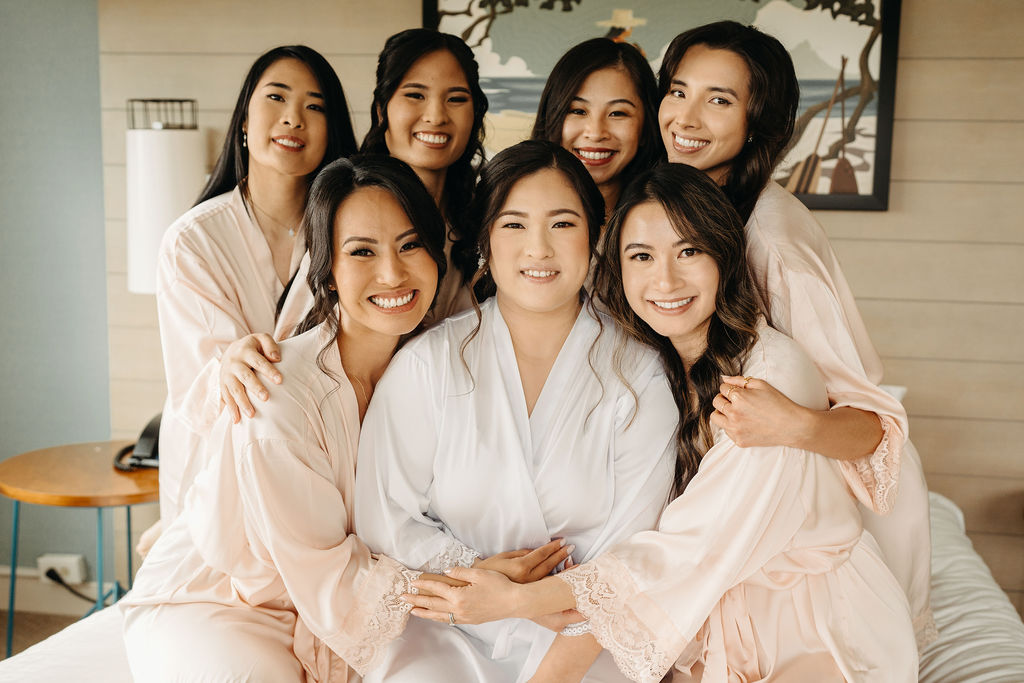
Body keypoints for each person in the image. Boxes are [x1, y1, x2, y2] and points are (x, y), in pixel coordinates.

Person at [403, 163, 918, 683]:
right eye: (642, 256)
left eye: (689, 251)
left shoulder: (768, 381)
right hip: (714, 623)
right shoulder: (653, 367)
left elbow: (694, 544)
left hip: (815, 628)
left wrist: (518, 600)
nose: (665, 279)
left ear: (724, 255)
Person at [353, 140, 678, 682]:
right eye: (514, 225)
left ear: (597, 237)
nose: (539, 249)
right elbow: (385, 518)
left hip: (589, 640)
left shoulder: (639, 376)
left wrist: (529, 607)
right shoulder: (427, 364)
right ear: (484, 239)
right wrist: (474, 578)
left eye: (562, 224)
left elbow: (634, 556)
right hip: (447, 629)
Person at [655, 20, 934, 645]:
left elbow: (873, 426)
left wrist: (797, 424)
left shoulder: (772, 243)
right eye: (677, 91)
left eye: (719, 100)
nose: (685, 117)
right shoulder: (681, 207)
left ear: (761, 122)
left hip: (817, 515)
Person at [124, 155, 454, 681]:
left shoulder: (434, 375)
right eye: (361, 251)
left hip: (339, 600)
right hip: (223, 603)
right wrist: (466, 587)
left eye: (410, 244)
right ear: (325, 270)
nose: (393, 273)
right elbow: (325, 573)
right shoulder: (277, 395)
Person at [153, 45, 357, 531]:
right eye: (277, 98)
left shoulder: (352, 232)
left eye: (315, 106)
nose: (294, 119)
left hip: (324, 468)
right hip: (220, 475)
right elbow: (200, 384)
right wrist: (229, 366)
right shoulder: (192, 240)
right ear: (244, 119)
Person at [530, 38, 661, 217]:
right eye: (578, 111)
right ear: (550, 116)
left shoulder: (672, 223)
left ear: (646, 128)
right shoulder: (505, 210)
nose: (596, 133)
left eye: (617, 113)